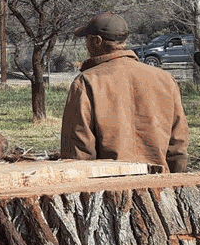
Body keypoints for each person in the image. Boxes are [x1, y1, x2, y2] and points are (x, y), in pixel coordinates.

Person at [60, 12, 189, 172]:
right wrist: (175, 183)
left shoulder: (87, 82)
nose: (86, 45)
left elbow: (78, 150)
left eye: (87, 39)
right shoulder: (165, 79)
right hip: (159, 183)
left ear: (97, 41)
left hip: (108, 184)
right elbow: (178, 145)